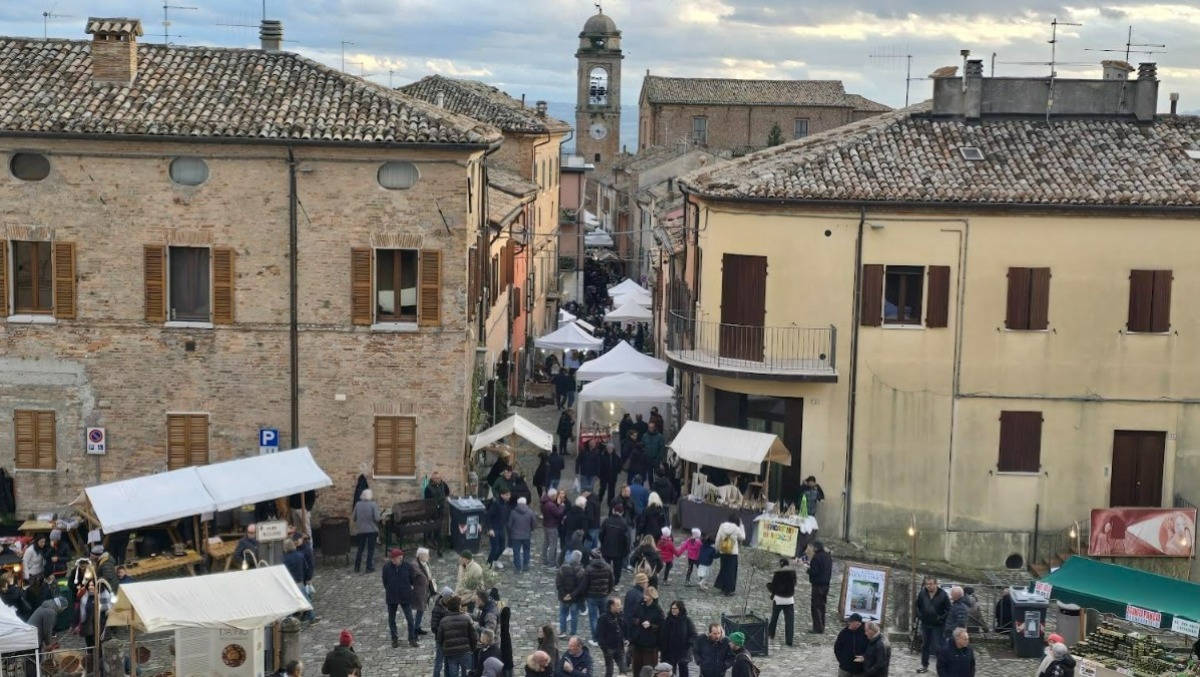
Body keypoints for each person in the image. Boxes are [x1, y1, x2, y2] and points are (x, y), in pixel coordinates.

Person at [382, 548, 419, 648]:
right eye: (392, 558)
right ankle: (394, 639)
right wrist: (390, 589)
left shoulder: (407, 567)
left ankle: (412, 638)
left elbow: (412, 579)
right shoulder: (387, 567)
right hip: (392, 596)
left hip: (405, 596)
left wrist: (408, 587)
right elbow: (385, 581)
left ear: (401, 557)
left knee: (410, 618)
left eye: (395, 558)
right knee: (391, 619)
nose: (393, 560)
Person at [915, 576, 950, 673]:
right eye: (927, 584)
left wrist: (941, 618)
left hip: (938, 625)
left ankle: (942, 667)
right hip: (925, 623)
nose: (928, 586)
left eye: (930, 584)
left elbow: (949, 608)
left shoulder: (943, 594)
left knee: (938, 646)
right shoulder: (923, 593)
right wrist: (919, 615)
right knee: (925, 645)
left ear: (935, 584)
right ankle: (924, 665)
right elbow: (917, 605)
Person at [438, 596, 479, 677]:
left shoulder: (443, 621)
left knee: (453, 673)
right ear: (459, 607)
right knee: (467, 673)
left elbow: (440, 639)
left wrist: (446, 648)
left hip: (451, 653)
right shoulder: (467, 618)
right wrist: (472, 648)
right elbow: (474, 636)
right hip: (465, 651)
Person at [629, 586, 663, 677]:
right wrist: (639, 622)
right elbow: (632, 618)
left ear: (652, 597)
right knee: (637, 668)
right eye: (644, 594)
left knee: (649, 669)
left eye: (647, 595)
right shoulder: (639, 605)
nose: (644, 596)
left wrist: (651, 626)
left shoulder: (658, 610)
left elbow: (661, 626)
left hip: (650, 645)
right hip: (638, 642)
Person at [283, 539, 317, 623]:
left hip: (289, 583)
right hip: (299, 582)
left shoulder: (284, 558)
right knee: (306, 601)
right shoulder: (300, 555)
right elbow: (306, 567)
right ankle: (311, 618)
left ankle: (288, 620)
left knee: (289, 602)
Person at [659, 600, 696, 677]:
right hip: (670, 651)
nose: (673, 610)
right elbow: (663, 634)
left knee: (683, 670)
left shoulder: (687, 620)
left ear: (680, 609)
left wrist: (688, 645)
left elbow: (693, 635)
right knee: (670, 671)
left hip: (682, 651)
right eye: (672, 608)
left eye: (675, 608)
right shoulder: (668, 620)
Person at [584, 552, 614, 642]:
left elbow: (585, 583)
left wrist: (585, 594)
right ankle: (604, 636)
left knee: (593, 618)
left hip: (592, 596)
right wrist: (608, 591)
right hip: (604, 595)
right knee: (604, 616)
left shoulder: (589, 568)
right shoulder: (608, 567)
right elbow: (611, 581)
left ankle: (596, 638)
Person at [767, 557, 797, 646]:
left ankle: (771, 633)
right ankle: (789, 640)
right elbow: (794, 584)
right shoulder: (793, 573)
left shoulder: (778, 573)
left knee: (774, 617)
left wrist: (768, 586)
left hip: (778, 599)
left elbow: (774, 586)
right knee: (789, 621)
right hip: (789, 600)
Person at [714, 514, 745, 597]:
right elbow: (742, 537)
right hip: (732, 552)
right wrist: (741, 526)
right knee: (731, 571)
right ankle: (729, 590)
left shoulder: (722, 526)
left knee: (723, 569)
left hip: (723, 551)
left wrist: (717, 548)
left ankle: (722, 587)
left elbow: (718, 538)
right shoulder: (736, 528)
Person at [557, 551, 587, 637]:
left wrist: (563, 595)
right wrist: (572, 595)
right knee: (574, 616)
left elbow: (558, 583)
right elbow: (581, 587)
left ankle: (562, 631)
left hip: (564, 597)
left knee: (563, 614)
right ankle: (573, 633)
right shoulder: (581, 571)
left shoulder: (563, 568)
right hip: (575, 598)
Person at [595, 598, 626, 677]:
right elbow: (599, 633)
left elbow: (624, 627)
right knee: (610, 671)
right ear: (612, 606)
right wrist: (604, 647)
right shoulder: (604, 618)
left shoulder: (620, 615)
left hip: (619, 647)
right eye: (618, 605)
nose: (620, 607)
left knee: (623, 669)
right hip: (609, 648)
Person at [600, 504, 631, 585]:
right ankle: (615, 583)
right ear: (622, 512)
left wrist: (603, 543)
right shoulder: (624, 523)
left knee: (606, 567)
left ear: (613, 511)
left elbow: (601, 534)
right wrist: (627, 550)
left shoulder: (607, 521)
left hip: (606, 548)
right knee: (617, 568)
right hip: (619, 550)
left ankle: (606, 581)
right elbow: (627, 539)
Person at [806, 541, 833, 633]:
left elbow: (814, 571)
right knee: (822, 606)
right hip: (826, 584)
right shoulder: (828, 556)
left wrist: (808, 570)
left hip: (818, 585)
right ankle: (822, 626)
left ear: (816, 548)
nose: (811, 549)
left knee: (816, 606)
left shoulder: (816, 557)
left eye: (812, 547)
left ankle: (818, 628)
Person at [352, 489, 380, 574]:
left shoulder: (358, 504)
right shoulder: (373, 504)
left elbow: (354, 517)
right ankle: (369, 567)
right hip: (371, 529)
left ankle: (357, 566)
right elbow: (377, 518)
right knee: (370, 549)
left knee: (360, 548)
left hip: (361, 530)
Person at [509, 497, 538, 573]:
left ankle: (518, 567)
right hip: (526, 535)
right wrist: (530, 529)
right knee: (526, 550)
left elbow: (509, 525)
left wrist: (512, 531)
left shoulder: (513, 512)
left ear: (517, 503)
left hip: (515, 536)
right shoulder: (530, 512)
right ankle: (525, 565)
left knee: (516, 552)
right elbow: (534, 524)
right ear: (525, 503)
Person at [834, 613, 868, 677]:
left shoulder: (866, 633)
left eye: (851, 622)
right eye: (848, 621)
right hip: (845, 668)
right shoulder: (844, 633)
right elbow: (837, 647)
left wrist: (865, 657)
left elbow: (872, 649)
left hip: (860, 669)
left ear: (858, 623)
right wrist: (842, 661)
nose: (848, 623)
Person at [486, 489, 512, 570]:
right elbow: (488, 516)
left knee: (502, 547)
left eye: (509, 494)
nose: (509, 496)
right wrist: (490, 529)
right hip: (494, 528)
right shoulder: (496, 504)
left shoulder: (506, 504)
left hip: (501, 528)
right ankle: (488, 565)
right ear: (502, 495)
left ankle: (495, 560)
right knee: (494, 548)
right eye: (507, 495)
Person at [543, 489, 566, 567]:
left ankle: (544, 559)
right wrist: (561, 506)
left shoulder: (544, 502)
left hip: (546, 525)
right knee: (553, 545)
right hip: (552, 526)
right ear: (553, 496)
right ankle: (551, 562)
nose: (556, 497)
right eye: (556, 495)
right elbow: (559, 513)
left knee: (546, 543)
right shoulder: (551, 505)